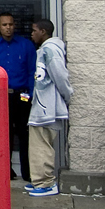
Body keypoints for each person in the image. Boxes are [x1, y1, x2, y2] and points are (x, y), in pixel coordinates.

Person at [0, 11, 36, 180]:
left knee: (24, 134)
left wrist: (31, 94)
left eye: (11, 24)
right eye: (4, 25)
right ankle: (5, 171)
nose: (8, 28)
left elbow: (31, 71)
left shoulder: (26, 45)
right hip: (1, 96)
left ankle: (27, 173)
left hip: (22, 95)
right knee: (3, 135)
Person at [25, 18, 72, 196]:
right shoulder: (45, 50)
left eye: (34, 30)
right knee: (37, 145)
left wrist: (67, 95)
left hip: (47, 108)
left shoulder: (50, 50)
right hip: (42, 106)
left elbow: (60, 75)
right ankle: (39, 180)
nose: (32, 33)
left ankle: (46, 182)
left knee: (41, 146)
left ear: (43, 31)